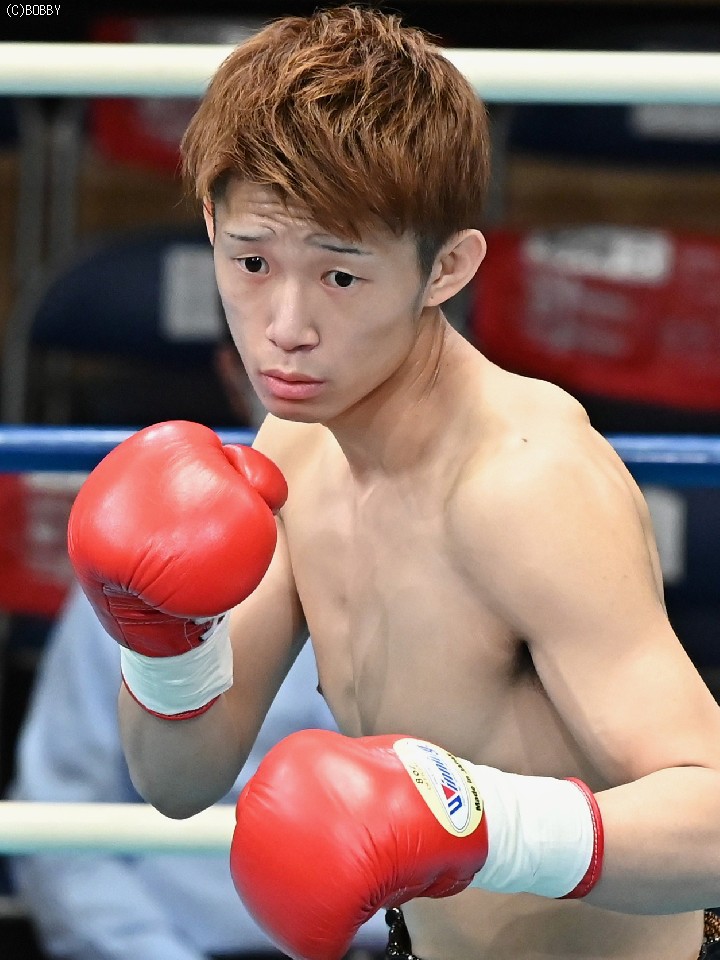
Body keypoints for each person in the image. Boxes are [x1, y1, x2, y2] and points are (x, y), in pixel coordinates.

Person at [64, 7, 720, 960]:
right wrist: (163, 647)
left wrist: (483, 827)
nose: (286, 326)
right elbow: (177, 781)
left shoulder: (524, 483)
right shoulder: (295, 446)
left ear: (445, 268)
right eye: (252, 262)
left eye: (341, 278)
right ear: (210, 227)